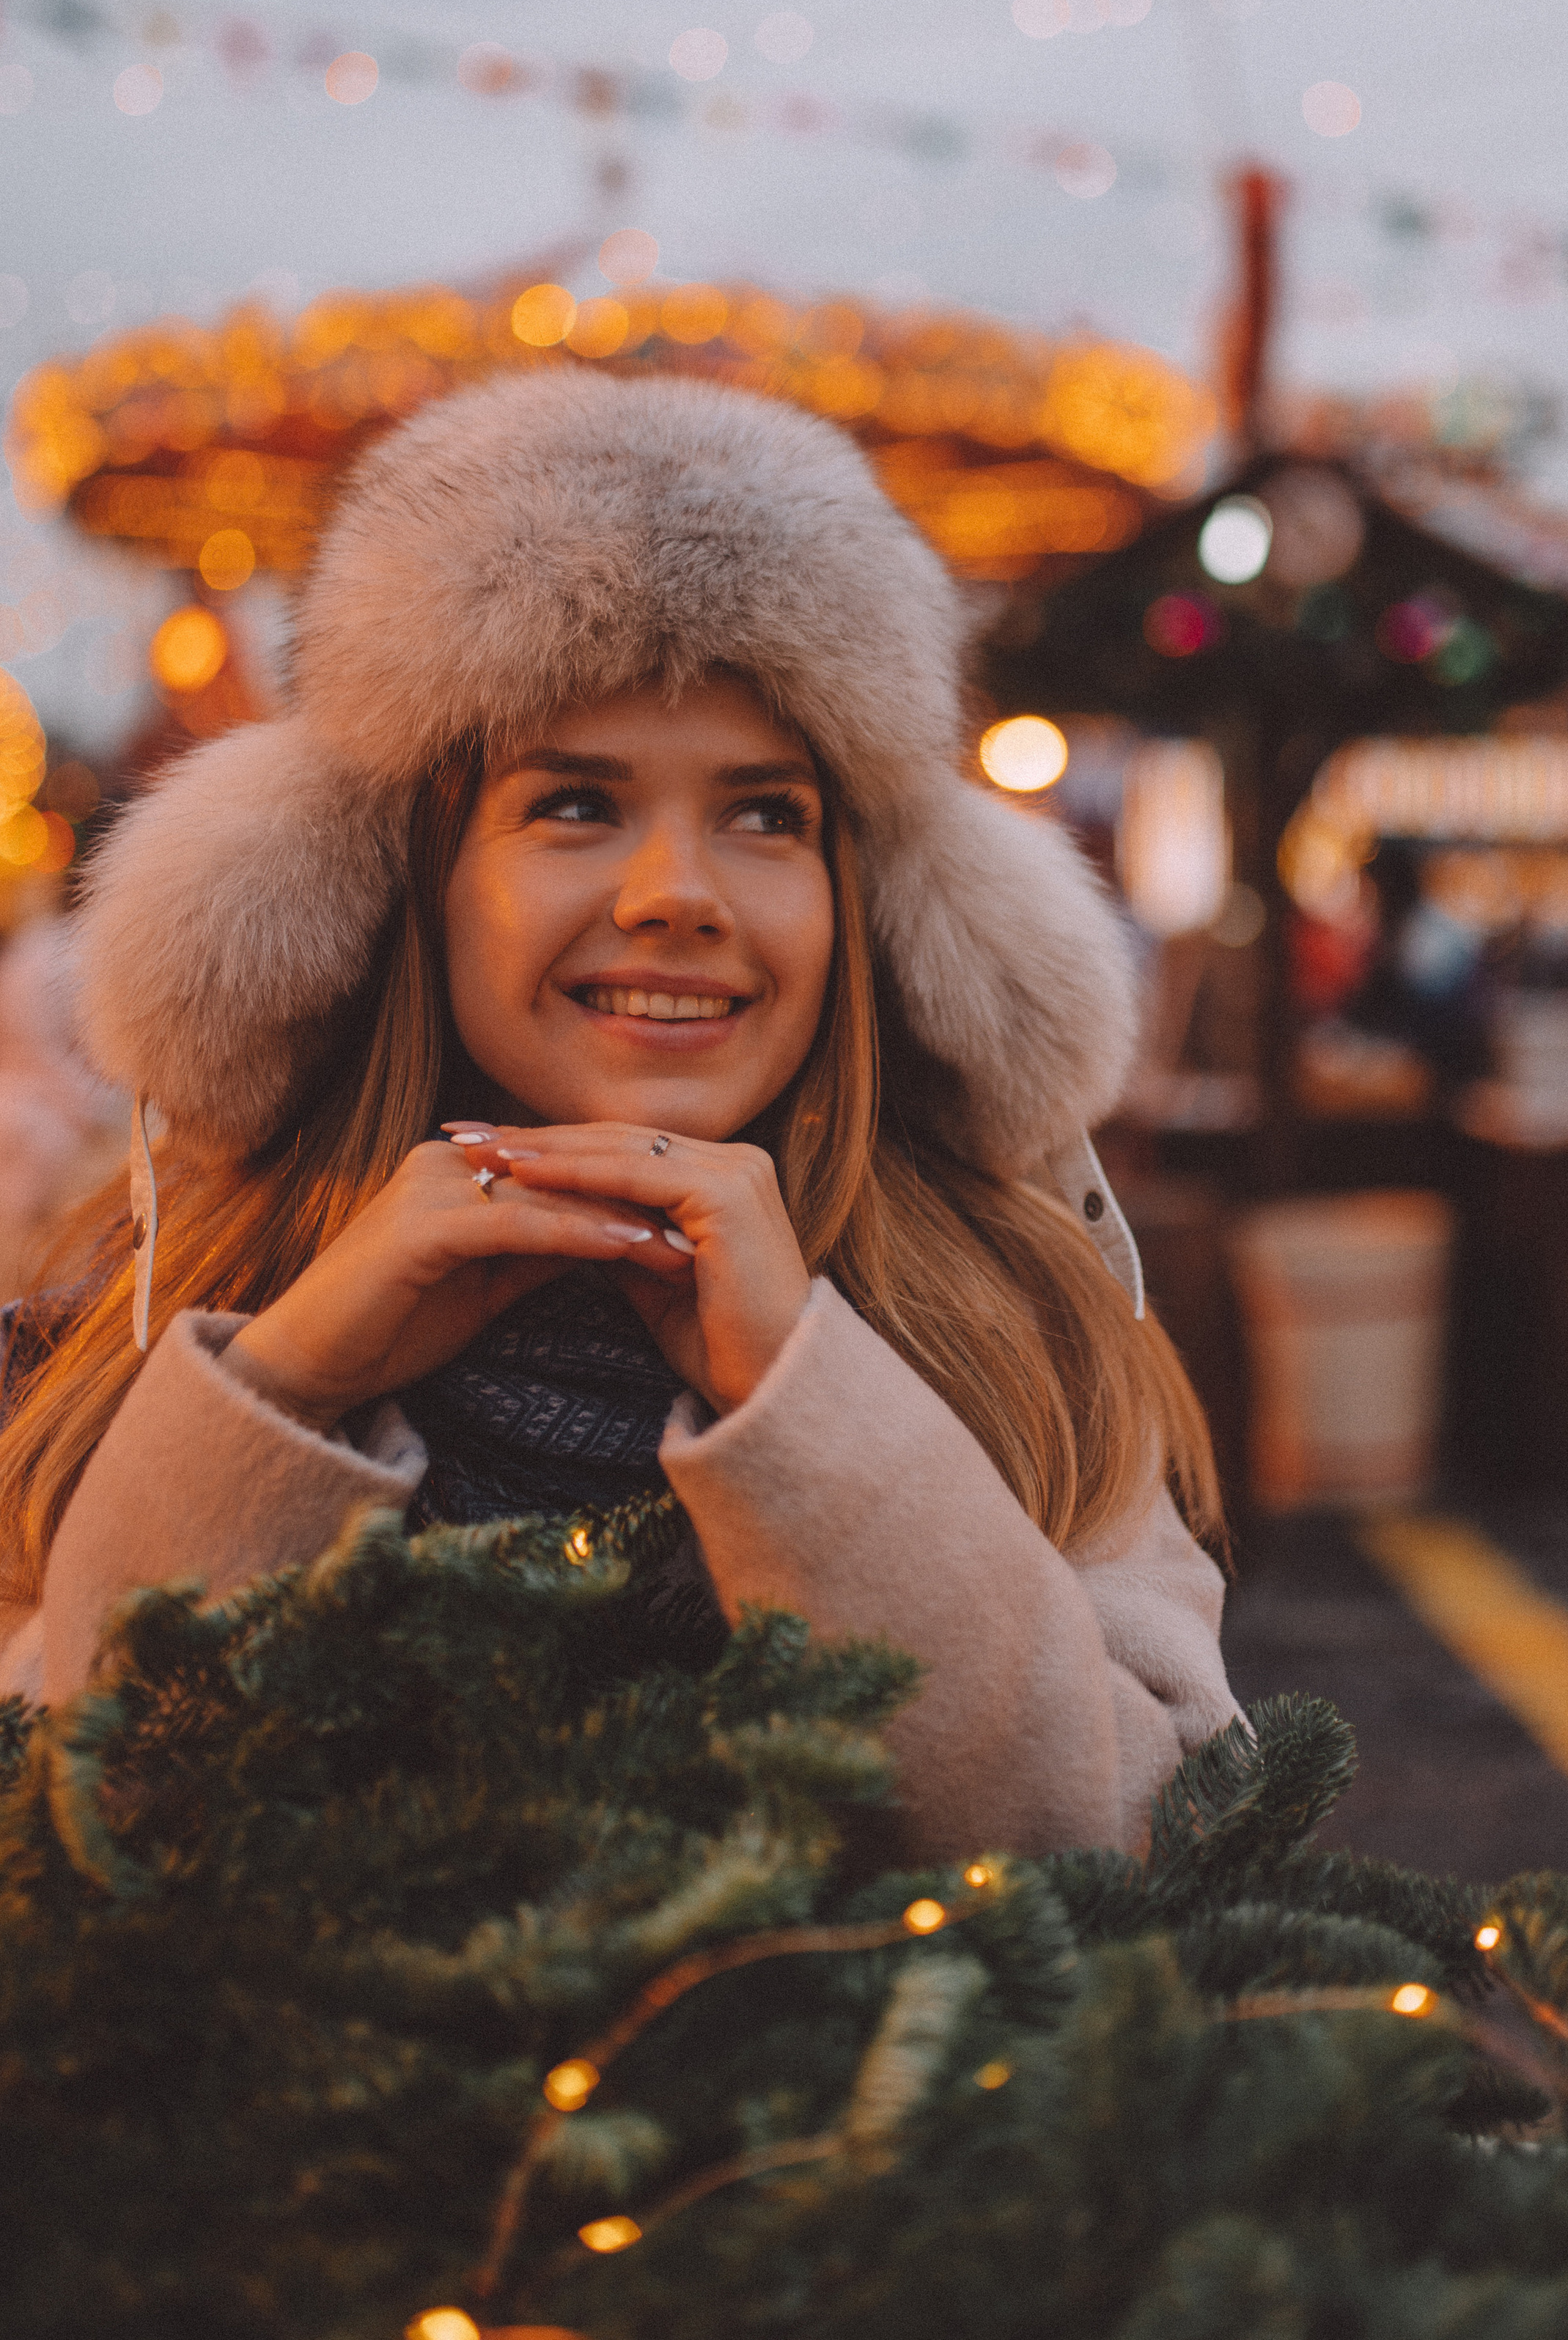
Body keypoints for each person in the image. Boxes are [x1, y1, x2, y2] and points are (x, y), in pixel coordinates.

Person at [0, 369, 1238, 1860]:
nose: (676, 895)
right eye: (575, 803)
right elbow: (68, 1841)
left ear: (866, 901)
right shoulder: (129, 1332)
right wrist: (281, 1389)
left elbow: (1139, 1845)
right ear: (411, 879)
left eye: (765, 812)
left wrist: (805, 1389)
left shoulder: (1022, 1336)